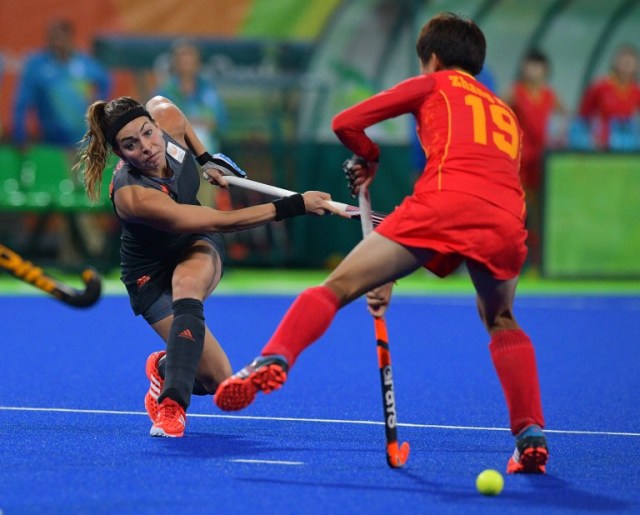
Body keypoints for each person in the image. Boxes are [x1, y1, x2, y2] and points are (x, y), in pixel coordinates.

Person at [214, 13, 548, 474]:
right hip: (507, 219)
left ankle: (274, 356)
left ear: (431, 59)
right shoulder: (506, 113)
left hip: (443, 202)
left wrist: (368, 158)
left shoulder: (434, 84)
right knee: (502, 318)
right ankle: (529, 433)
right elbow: (487, 187)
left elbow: (346, 122)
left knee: (338, 287)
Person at [76, 95, 342, 438]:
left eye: (147, 133)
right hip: (149, 272)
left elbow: (169, 109)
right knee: (217, 379)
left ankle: (172, 401)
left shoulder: (166, 119)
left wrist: (207, 160)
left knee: (187, 285)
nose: (146, 147)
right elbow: (222, 221)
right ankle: (166, 378)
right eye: (130, 145)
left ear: (156, 125)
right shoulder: (133, 196)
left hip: (193, 242)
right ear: (120, 154)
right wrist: (295, 205)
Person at [504, 50, 566, 273]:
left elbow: (565, 119)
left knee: (540, 213)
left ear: (546, 70)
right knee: (516, 212)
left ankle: (539, 263)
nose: (533, 70)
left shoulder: (550, 96)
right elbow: (497, 113)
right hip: (518, 163)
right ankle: (512, 260)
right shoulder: (515, 93)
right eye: (530, 65)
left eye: (538, 66)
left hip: (542, 165)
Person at [13, 19, 111, 147]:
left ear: (70, 38)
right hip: (50, 139)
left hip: (82, 138)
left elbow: (105, 81)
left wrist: (98, 103)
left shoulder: (85, 64)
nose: (57, 43)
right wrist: (20, 134)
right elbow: (22, 103)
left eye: (60, 38)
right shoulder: (36, 66)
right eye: (53, 38)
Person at [578, 44, 640, 149]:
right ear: (615, 63)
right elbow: (584, 116)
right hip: (602, 144)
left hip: (627, 145)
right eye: (623, 62)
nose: (626, 66)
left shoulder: (636, 90)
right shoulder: (600, 86)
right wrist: (591, 138)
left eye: (630, 63)